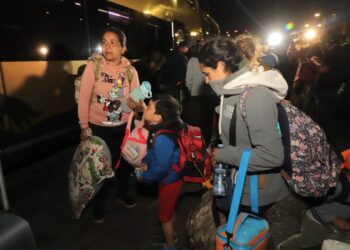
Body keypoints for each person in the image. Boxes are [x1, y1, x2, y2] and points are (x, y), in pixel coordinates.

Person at [198, 34, 289, 215]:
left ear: (222, 65)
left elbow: (272, 156)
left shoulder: (256, 97)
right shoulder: (230, 93)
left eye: (207, 74)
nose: (206, 81)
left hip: (257, 195)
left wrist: (224, 154)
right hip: (239, 184)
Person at [78, 27, 143, 222]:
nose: (107, 46)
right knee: (99, 168)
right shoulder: (93, 67)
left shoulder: (130, 71)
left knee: (124, 165)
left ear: (123, 48)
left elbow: (139, 101)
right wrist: (83, 126)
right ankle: (99, 203)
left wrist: (135, 103)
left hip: (123, 128)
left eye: (113, 43)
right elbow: (83, 98)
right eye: (104, 42)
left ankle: (122, 192)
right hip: (97, 127)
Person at [136, 94, 183, 250]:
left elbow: (162, 167)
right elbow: (154, 154)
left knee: (164, 218)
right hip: (173, 179)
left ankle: (170, 246)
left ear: (158, 117)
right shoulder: (163, 130)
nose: (146, 108)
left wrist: (145, 176)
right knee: (169, 211)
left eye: (149, 107)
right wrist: (145, 162)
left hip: (169, 182)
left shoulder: (163, 137)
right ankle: (172, 235)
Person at [278, 167, 350, 250]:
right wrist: (334, 219)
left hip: (327, 224)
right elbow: (314, 199)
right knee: (295, 244)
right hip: (317, 221)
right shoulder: (340, 186)